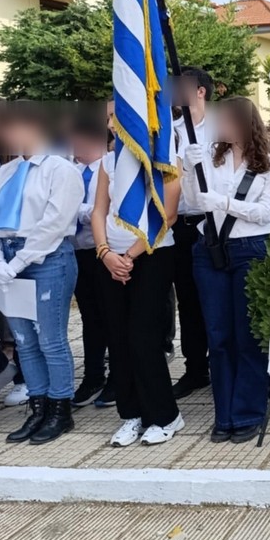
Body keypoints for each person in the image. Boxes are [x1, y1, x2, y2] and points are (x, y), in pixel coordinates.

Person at [182, 97, 270, 443]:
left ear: (243, 123)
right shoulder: (213, 159)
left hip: (250, 251)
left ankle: (249, 413)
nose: (218, 125)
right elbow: (195, 201)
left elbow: (267, 212)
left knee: (247, 337)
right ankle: (223, 414)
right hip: (208, 249)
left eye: (225, 119)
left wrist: (225, 203)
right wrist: (187, 169)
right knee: (219, 336)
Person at [0, 103, 83, 444]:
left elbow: (53, 225)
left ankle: (59, 410)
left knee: (50, 339)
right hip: (10, 259)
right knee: (24, 340)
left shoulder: (59, 169)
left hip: (46, 259)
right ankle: (38, 407)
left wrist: (16, 263)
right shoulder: (7, 172)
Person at [92, 125, 184, 447]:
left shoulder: (164, 161)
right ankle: (132, 414)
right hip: (111, 259)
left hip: (151, 255)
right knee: (117, 339)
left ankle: (165, 416)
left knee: (142, 337)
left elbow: (168, 215)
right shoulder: (107, 162)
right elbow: (99, 211)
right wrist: (105, 253)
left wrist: (128, 256)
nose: (112, 125)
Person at [169, 67, 212, 399]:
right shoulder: (171, 132)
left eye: (183, 86)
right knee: (187, 300)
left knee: (217, 299)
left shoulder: (219, 127)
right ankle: (196, 368)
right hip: (180, 224)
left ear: (201, 91)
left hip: (214, 223)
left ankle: (225, 362)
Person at [69, 113, 111, 407]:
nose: (73, 144)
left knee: (111, 318)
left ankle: (119, 378)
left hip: (105, 251)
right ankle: (93, 375)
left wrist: (77, 209)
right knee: (89, 318)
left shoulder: (106, 169)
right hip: (78, 252)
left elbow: (103, 210)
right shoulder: (68, 171)